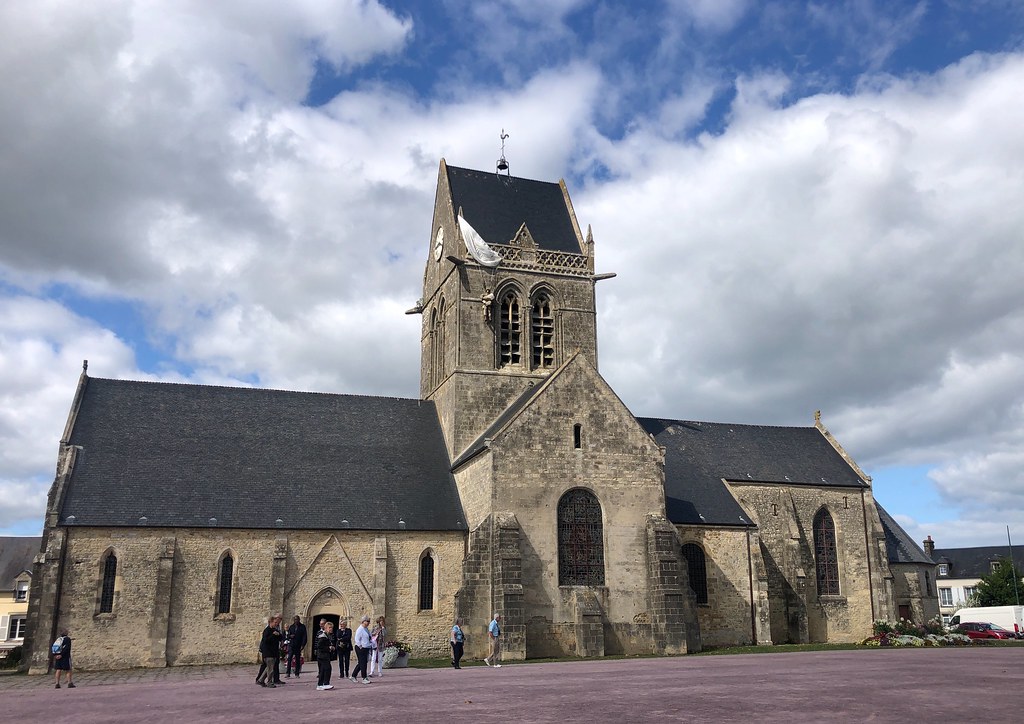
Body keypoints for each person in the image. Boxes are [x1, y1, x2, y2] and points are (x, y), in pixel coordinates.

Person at [256, 614, 283, 687]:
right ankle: (269, 682)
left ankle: (260, 680)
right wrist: (273, 635)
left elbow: (281, 638)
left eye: (276, 623)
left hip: (274, 652)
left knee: (268, 668)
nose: (276, 624)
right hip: (268, 652)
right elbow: (265, 640)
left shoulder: (274, 630)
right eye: (275, 622)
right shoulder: (267, 630)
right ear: (271, 622)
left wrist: (278, 635)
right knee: (270, 669)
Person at [350, 615, 372, 684]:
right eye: (367, 621)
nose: (368, 623)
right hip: (361, 648)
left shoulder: (366, 629)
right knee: (363, 663)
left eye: (369, 621)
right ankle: (364, 677)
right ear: (363, 621)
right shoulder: (360, 629)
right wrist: (360, 646)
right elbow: (357, 639)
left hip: (366, 647)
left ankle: (353, 675)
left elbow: (368, 637)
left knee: (362, 663)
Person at [315, 621, 336, 690]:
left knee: (323, 670)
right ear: (326, 628)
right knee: (327, 668)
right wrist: (328, 648)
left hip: (324, 655)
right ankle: (325, 683)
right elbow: (319, 646)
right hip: (322, 655)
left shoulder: (328, 636)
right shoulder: (323, 636)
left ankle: (320, 684)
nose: (331, 629)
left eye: (331, 628)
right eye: (329, 627)